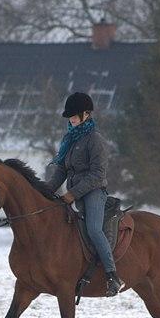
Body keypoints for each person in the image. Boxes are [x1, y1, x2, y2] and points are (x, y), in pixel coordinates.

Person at [46, 92, 124, 296]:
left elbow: (98, 175)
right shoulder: (70, 140)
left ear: (86, 115)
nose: (71, 120)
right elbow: (61, 170)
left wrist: (72, 194)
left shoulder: (95, 140)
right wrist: (45, 191)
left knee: (93, 229)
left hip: (93, 192)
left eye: (74, 116)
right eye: (69, 117)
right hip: (73, 191)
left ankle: (111, 275)